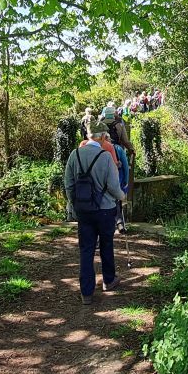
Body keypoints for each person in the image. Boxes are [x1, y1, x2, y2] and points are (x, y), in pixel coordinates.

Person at [64, 122, 127, 304]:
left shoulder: (74, 155)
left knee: (86, 249)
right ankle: (108, 280)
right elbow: (113, 187)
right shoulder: (105, 157)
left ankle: (86, 293)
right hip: (105, 209)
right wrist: (122, 196)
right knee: (106, 244)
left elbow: (68, 184)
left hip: (83, 211)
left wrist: (74, 203)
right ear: (102, 137)